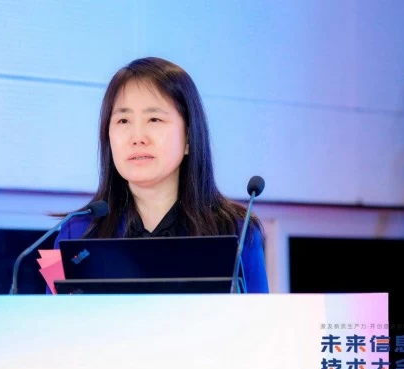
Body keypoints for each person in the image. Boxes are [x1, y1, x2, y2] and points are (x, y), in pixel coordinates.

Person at [51, 56, 269, 293]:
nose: (137, 137)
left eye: (154, 119)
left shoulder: (235, 230)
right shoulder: (77, 232)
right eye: (123, 120)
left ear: (189, 138)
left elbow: (258, 316)